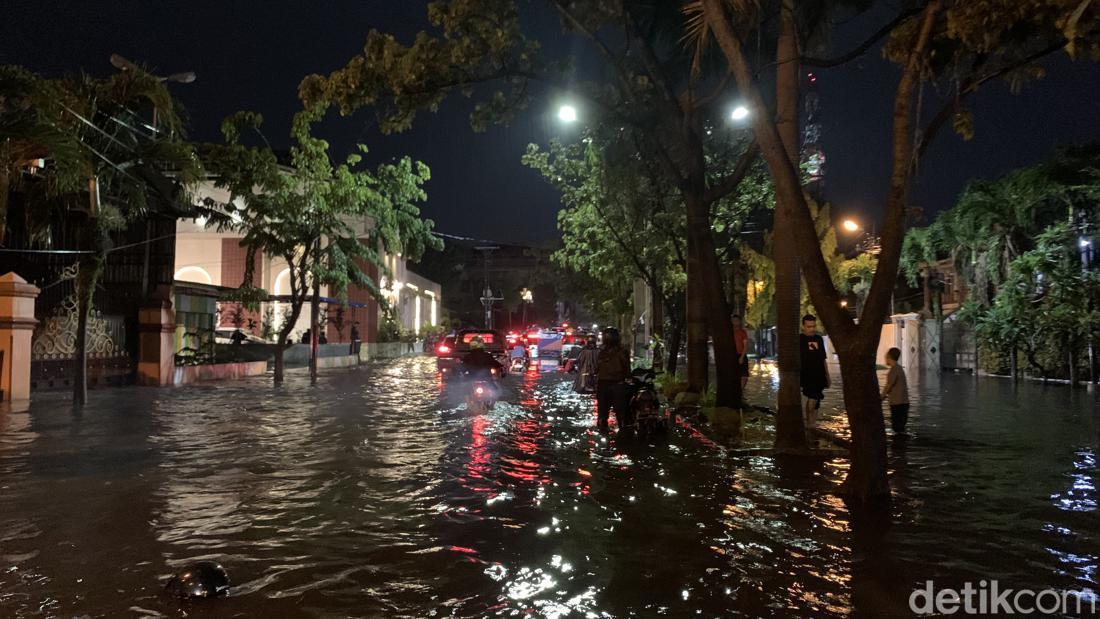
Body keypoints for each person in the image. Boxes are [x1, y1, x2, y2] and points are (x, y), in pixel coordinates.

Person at [595, 328, 633, 434]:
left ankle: (604, 427)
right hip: (617, 384)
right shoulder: (622, 352)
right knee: (621, 411)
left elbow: (596, 368)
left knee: (603, 411)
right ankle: (622, 428)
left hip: (603, 384)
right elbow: (627, 369)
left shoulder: (602, 353)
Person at [799, 314, 830, 428]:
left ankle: (813, 423)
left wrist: (827, 375)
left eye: (813, 326)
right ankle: (809, 424)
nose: (812, 329)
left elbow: (823, 358)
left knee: (817, 399)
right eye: (809, 326)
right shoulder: (800, 339)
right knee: (812, 397)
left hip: (819, 374)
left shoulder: (818, 339)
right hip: (807, 374)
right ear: (803, 326)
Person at [881, 347, 910, 435]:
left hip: (897, 404)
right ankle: (902, 446)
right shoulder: (899, 369)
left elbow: (889, 386)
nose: (885, 359)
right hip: (903, 403)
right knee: (901, 428)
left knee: (897, 428)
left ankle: (898, 447)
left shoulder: (894, 371)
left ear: (889, 357)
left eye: (886, 357)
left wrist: (881, 397)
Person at [731, 315, 749, 393]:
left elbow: (745, 345)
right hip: (732, 355)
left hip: (741, 354)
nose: (735, 322)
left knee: (744, 375)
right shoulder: (729, 332)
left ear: (739, 321)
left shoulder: (742, 332)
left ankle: (741, 390)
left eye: (736, 320)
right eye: (733, 320)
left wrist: (742, 356)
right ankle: (735, 391)